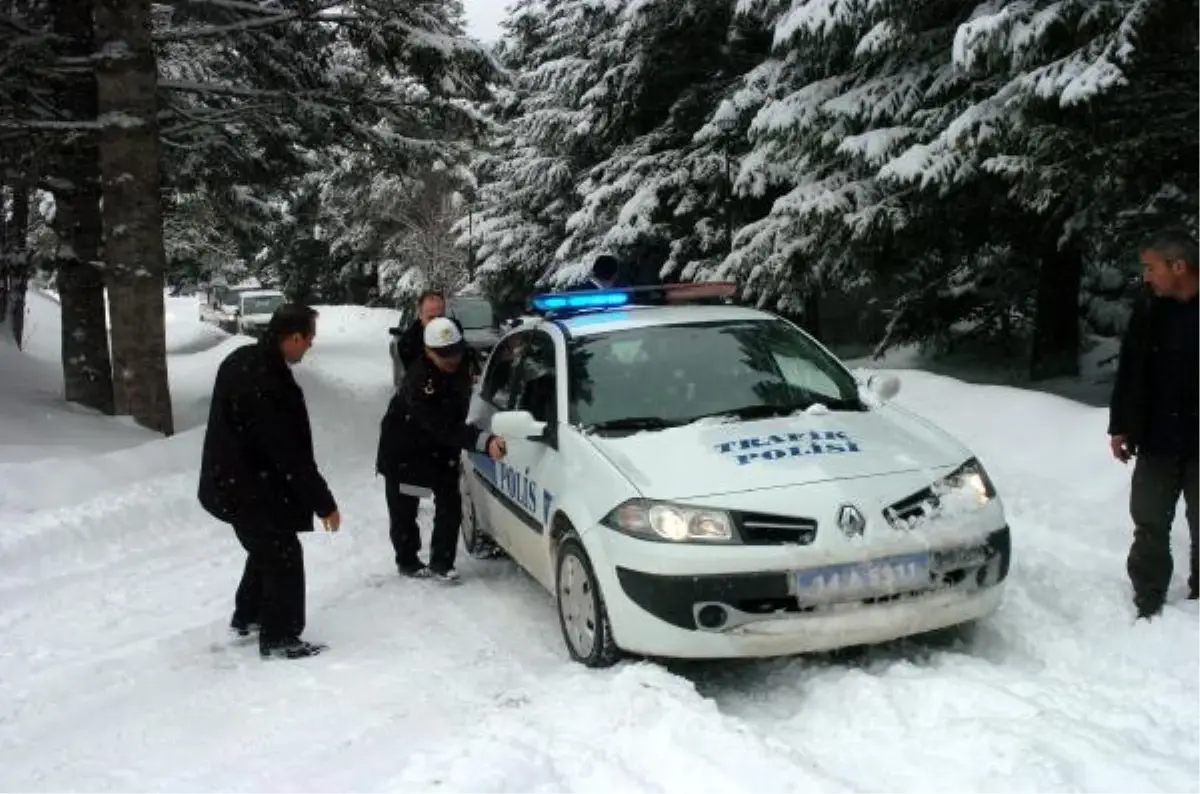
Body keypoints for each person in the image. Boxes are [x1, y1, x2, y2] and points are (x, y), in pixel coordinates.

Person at [197, 303, 341, 660]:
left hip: (230, 482)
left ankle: (249, 615)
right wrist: (323, 501)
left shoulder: (243, 359)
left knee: (266, 548)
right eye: (309, 339)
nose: (310, 346)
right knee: (282, 555)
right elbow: (287, 452)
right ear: (294, 337)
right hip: (249, 487)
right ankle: (279, 637)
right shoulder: (268, 380)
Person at [1108, 228, 1200, 620]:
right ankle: (1148, 594)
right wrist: (1120, 426)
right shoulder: (1150, 307)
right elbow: (1130, 367)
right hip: (1158, 436)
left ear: (1179, 267)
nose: (1146, 276)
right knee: (1148, 519)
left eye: (1152, 267)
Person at [375, 316, 507, 582]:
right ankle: (408, 560)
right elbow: (444, 426)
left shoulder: (464, 361)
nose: (452, 359)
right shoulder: (419, 383)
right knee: (405, 507)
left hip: (441, 451)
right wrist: (484, 441)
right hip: (405, 453)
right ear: (428, 352)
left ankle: (442, 562)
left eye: (455, 352)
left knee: (449, 502)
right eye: (444, 355)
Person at [390, 290, 480, 384]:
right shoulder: (408, 342)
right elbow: (416, 379)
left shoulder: (453, 330)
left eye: (440, 317)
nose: (436, 322)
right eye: (431, 318)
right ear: (420, 315)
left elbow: (468, 356)